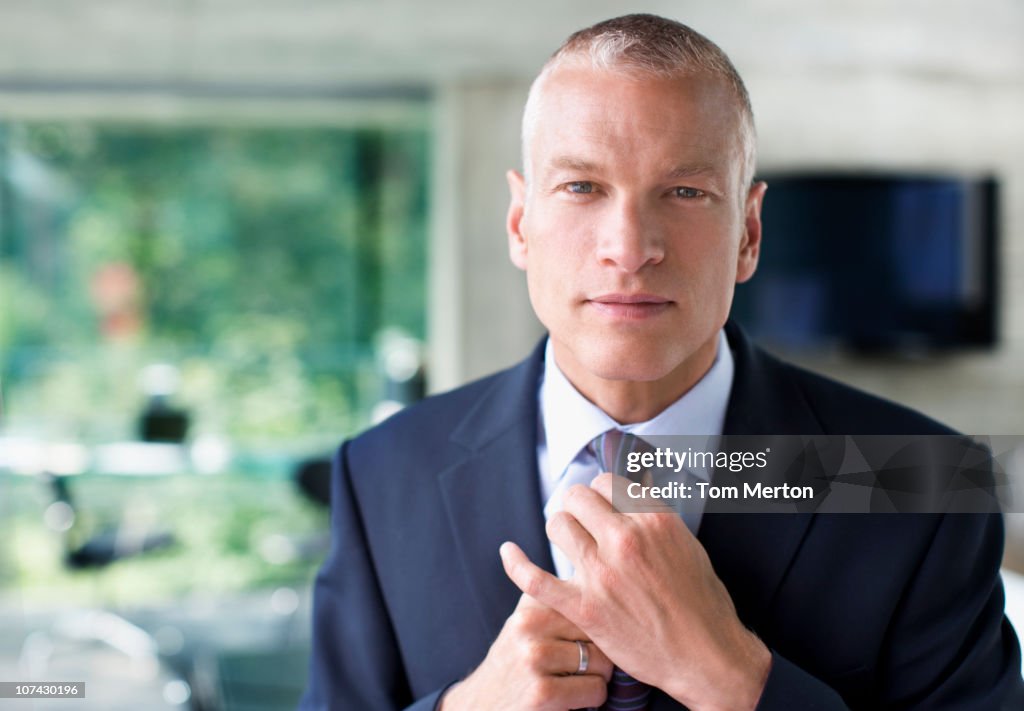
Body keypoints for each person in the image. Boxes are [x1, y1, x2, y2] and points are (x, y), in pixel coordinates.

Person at [299, 14, 1024, 710]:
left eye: (684, 192)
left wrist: (735, 679)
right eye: (582, 187)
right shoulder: (381, 473)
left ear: (748, 233)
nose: (630, 245)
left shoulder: (922, 479)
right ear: (522, 224)